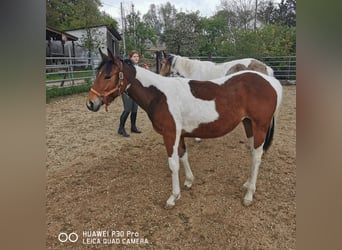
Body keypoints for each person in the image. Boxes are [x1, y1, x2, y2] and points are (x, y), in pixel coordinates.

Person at [117, 50, 147, 137]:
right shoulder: (126, 67)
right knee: (127, 109)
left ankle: (133, 127)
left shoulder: (138, 67)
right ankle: (121, 128)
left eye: (137, 56)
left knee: (134, 110)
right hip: (127, 91)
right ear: (130, 58)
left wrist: (145, 71)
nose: (136, 58)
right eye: (134, 56)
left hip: (135, 92)